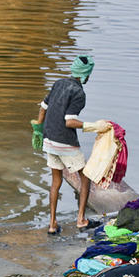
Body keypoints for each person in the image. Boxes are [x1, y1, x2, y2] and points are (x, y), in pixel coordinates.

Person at [34, 55, 110, 235]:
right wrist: (93, 126)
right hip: (64, 142)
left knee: (56, 181)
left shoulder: (58, 83)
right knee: (85, 177)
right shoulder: (79, 93)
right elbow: (69, 122)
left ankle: (52, 224)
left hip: (49, 139)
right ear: (85, 75)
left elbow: (43, 107)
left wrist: (38, 127)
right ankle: (81, 220)